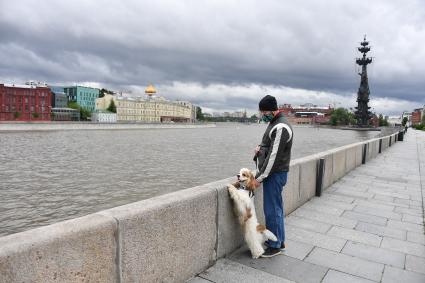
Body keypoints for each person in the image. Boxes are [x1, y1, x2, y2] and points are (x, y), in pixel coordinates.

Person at [252, 95, 293, 258]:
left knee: (272, 211)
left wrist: (258, 178)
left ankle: (275, 245)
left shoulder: (281, 126)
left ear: (270, 110)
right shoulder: (275, 123)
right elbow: (269, 147)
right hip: (274, 174)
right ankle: (279, 241)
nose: (262, 115)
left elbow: (274, 158)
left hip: (274, 175)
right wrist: (260, 149)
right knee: (276, 209)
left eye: (263, 112)